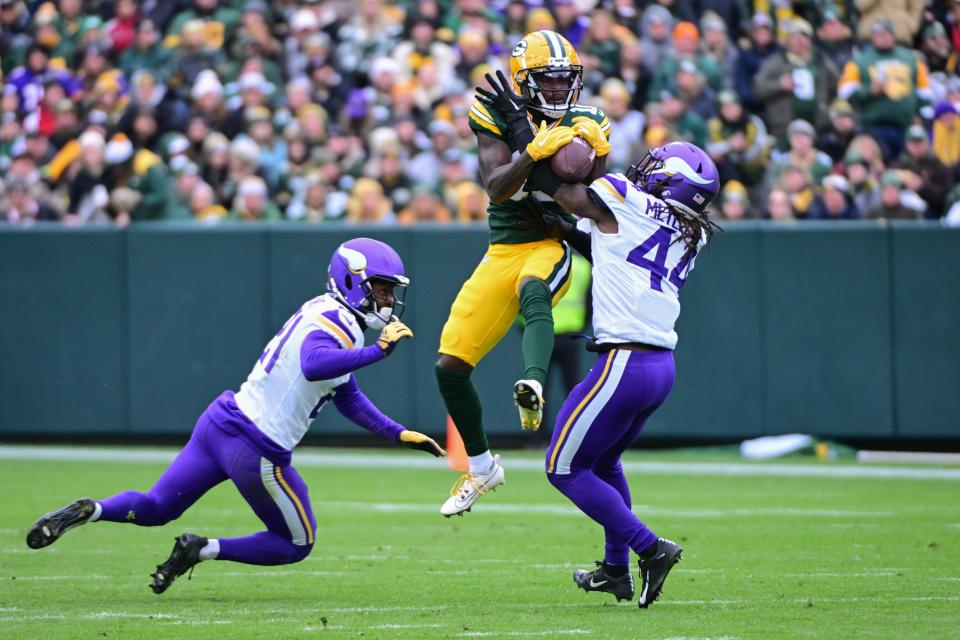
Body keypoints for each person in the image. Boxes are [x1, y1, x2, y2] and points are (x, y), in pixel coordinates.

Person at [26, 239, 445, 593]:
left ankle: (92, 509)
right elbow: (315, 364)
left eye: (390, 291)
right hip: (257, 450)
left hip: (221, 422)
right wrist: (380, 351)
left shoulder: (323, 308)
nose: (388, 301)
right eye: (382, 289)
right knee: (298, 543)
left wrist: (397, 433)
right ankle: (202, 549)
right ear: (353, 280)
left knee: (156, 508)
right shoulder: (339, 323)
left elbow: (344, 392)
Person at [523, 142, 720, 608]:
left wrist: (529, 140)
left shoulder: (627, 199)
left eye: (657, 166)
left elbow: (567, 193)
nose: (643, 168)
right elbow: (616, 251)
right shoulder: (694, 230)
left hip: (624, 362)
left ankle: (650, 549)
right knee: (605, 464)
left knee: (563, 468)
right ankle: (615, 570)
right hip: (658, 367)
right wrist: (568, 232)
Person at [436, 30, 610, 518]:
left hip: (550, 241)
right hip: (503, 246)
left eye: (564, 79)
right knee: (449, 366)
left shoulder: (589, 122)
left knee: (535, 290)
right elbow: (495, 186)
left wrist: (540, 151)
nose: (558, 89)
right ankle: (482, 464)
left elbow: (590, 200)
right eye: (547, 80)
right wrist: (533, 150)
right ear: (523, 81)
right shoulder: (494, 111)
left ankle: (532, 382)